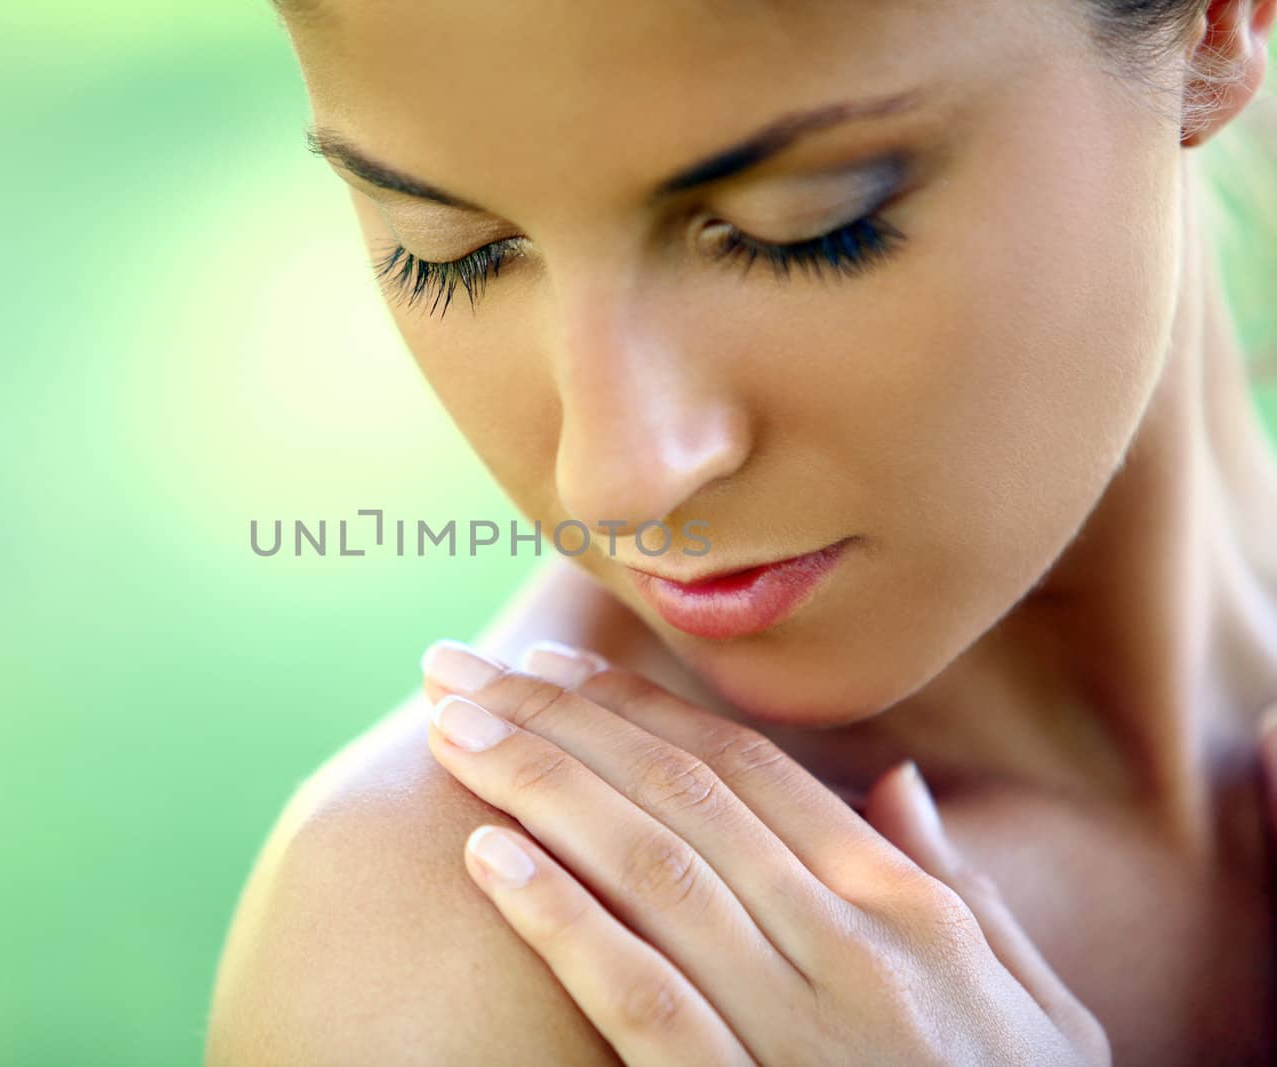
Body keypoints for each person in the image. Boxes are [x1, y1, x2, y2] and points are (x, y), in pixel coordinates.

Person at [207, 1, 1277, 1062]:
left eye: (800, 227)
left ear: (1218, 26)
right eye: (450, 251)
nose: (612, 478)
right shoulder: (473, 945)